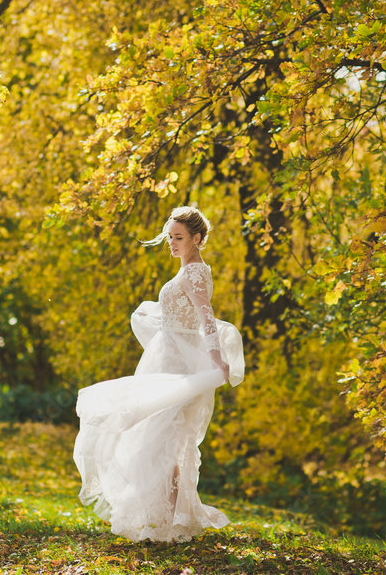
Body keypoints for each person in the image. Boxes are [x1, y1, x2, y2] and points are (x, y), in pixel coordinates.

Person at [73, 206, 245, 543]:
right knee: (157, 442)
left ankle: (171, 524)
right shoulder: (188, 272)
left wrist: (216, 359)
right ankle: (173, 521)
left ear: (197, 238)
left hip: (178, 369)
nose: (172, 243)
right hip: (167, 362)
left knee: (160, 444)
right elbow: (181, 317)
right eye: (170, 237)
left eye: (179, 237)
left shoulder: (195, 272)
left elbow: (205, 318)